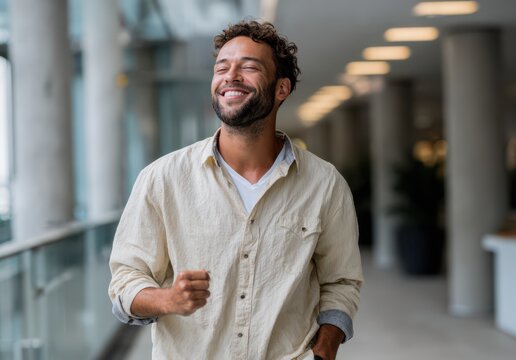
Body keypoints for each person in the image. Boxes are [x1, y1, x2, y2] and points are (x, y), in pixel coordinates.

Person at [109, 20, 363, 360]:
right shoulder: (161, 179)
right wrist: (168, 299)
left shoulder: (325, 184)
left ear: (281, 89)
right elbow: (125, 281)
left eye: (249, 67)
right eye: (222, 68)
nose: (230, 76)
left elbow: (342, 282)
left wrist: (324, 349)